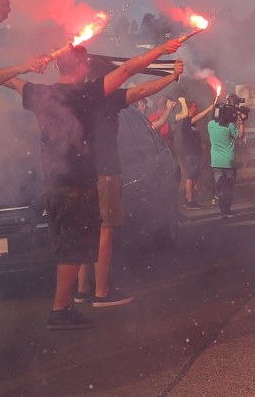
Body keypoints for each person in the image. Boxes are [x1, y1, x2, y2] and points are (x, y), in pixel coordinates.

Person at [3, 39, 181, 330]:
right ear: (81, 67)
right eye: (85, 63)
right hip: (76, 182)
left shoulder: (41, 93)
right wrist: (159, 52)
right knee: (73, 248)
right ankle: (60, 310)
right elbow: (128, 70)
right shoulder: (87, 93)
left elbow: (14, 82)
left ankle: (70, 302)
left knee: (67, 247)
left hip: (53, 183)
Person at [71, 59, 185, 308]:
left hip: (79, 174)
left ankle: (82, 290)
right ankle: (102, 291)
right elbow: (143, 90)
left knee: (83, 232)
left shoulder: (77, 96)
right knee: (104, 232)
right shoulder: (108, 98)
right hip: (105, 173)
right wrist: (172, 77)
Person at [175, 97, 215, 208]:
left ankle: (188, 197)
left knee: (195, 175)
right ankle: (190, 201)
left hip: (195, 152)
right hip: (190, 153)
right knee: (191, 175)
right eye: (195, 107)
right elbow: (196, 118)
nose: (197, 108)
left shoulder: (193, 123)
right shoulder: (187, 120)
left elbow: (192, 137)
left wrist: (199, 147)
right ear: (190, 109)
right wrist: (209, 109)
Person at [208, 101, 246, 218]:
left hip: (216, 162)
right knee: (228, 188)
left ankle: (223, 210)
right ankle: (227, 209)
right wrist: (241, 122)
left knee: (221, 188)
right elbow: (240, 136)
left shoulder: (210, 124)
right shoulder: (229, 126)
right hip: (229, 162)